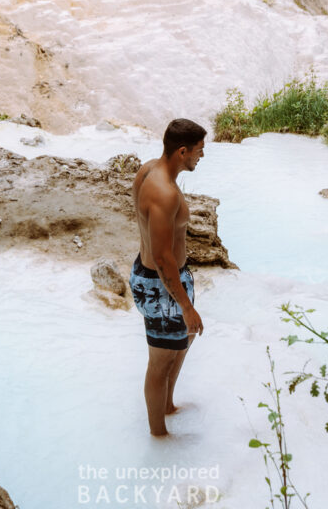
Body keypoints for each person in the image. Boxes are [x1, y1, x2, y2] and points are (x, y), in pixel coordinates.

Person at [129, 118, 207, 436]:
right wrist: (186, 306)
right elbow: (162, 258)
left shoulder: (148, 169)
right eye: (199, 151)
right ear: (182, 151)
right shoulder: (164, 193)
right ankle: (158, 434)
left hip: (164, 279)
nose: (202, 156)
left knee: (183, 341)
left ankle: (168, 405)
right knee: (160, 361)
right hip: (159, 286)